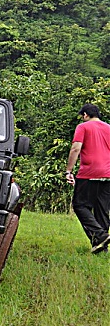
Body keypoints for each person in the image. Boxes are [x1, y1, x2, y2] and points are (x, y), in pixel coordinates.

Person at [65, 103, 110, 254]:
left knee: (79, 205)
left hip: (89, 172)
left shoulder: (83, 127)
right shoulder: (108, 128)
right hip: (108, 173)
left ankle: (101, 235)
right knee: (102, 210)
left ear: (85, 115)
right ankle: (101, 248)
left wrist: (68, 171)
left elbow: (76, 148)